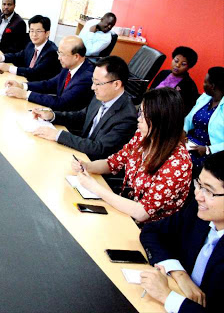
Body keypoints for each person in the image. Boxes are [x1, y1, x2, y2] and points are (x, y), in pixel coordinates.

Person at [73, 88, 192, 223]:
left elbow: (141, 212)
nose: (139, 119)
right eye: (140, 112)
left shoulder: (178, 164)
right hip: (123, 207)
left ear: (161, 120)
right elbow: (113, 163)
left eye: (144, 115)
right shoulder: (142, 136)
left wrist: (95, 188)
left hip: (145, 228)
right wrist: (87, 166)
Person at [139, 151, 224, 313]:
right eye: (199, 185)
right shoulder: (200, 211)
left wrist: (167, 296)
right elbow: (151, 231)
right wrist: (179, 273)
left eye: (209, 191)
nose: (198, 195)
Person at [32, 56, 137, 160]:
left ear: (116, 84)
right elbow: (82, 116)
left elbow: (99, 149)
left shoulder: (127, 117)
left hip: (91, 166)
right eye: (93, 81)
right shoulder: (102, 95)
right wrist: (52, 115)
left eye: (97, 83)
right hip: (78, 153)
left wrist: (58, 135)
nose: (92, 87)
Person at [5, 36, 94, 111]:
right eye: (58, 53)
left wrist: (25, 94)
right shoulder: (69, 66)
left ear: (76, 56)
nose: (59, 58)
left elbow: (62, 102)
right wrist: (22, 86)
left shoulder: (86, 77)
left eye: (62, 54)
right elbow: (50, 84)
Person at [0, 15, 59, 81]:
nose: (34, 34)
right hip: (24, 80)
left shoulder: (51, 52)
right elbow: (18, 56)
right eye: (31, 30)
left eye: (38, 31)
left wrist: (9, 68)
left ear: (47, 33)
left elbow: (35, 73)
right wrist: (2, 57)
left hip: (38, 88)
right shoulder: (31, 45)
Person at [185, 67, 224, 176]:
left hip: (213, 152)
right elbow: (188, 119)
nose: (203, 85)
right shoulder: (205, 98)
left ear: (213, 86)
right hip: (192, 143)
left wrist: (208, 149)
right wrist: (183, 131)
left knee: (182, 160)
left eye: (205, 82)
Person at [150, 46, 199, 116]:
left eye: (183, 64)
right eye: (176, 61)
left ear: (189, 67)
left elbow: (185, 110)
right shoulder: (163, 73)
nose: (177, 65)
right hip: (150, 108)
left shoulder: (189, 86)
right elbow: (151, 91)